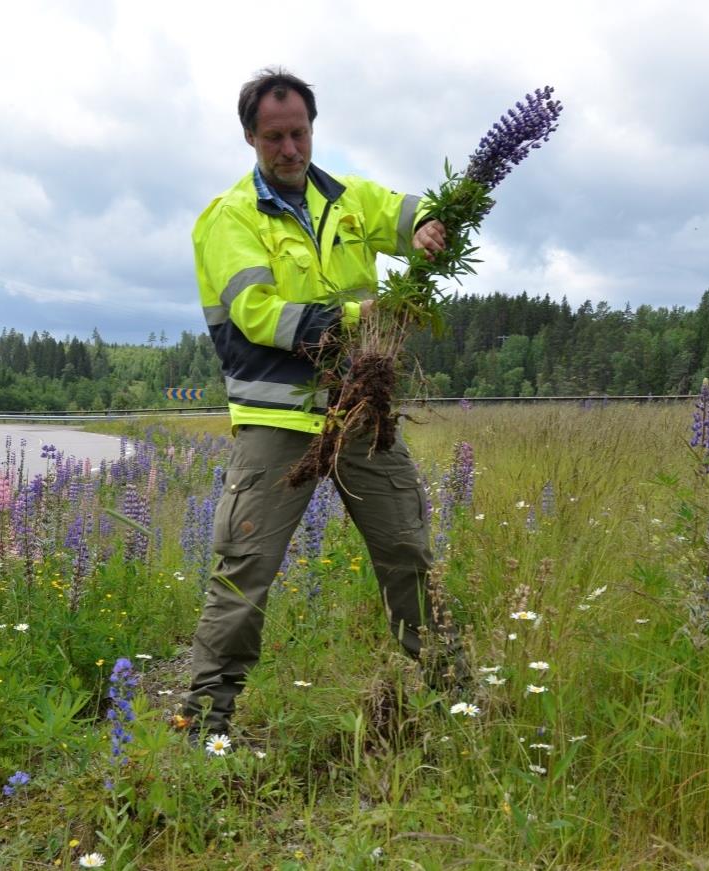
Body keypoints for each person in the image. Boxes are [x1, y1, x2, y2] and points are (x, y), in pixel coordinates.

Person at [183, 67, 463, 738]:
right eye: (274, 138)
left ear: (312, 130)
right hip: (279, 423)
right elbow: (259, 315)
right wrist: (354, 317)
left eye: (299, 134)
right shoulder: (229, 219)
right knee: (245, 569)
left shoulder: (345, 197)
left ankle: (456, 699)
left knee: (407, 552)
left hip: (362, 415)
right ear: (250, 137)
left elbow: (408, 210)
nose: (289, 150)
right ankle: (200, 723)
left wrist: (427, 225)